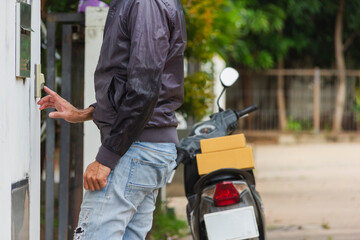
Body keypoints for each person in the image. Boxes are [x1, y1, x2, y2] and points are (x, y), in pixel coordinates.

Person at [38, 0, 186, 239]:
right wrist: (82, 113)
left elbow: (144, 87)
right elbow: (134, 88)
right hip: (144, 147)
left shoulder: (143, 4)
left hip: (136, 149)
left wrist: (105, 160)